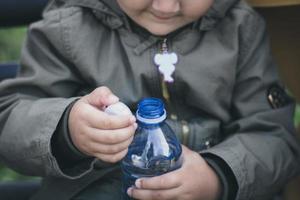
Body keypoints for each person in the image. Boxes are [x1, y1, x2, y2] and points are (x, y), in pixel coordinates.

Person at [0, 0, 299, 199]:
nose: (167, 5)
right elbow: (12, 123)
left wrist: (219, 175)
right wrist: (65, 129)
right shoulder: (66, 28)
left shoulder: (240, 29)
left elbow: (275, 138)